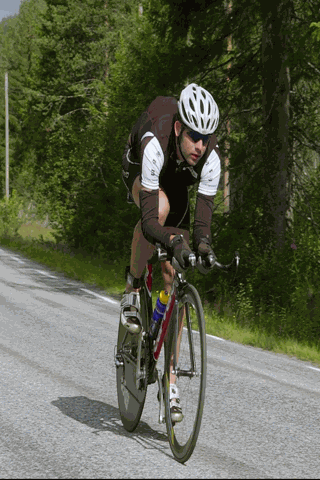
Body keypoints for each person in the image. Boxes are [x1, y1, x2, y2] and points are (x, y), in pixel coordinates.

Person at [120, 83, 221, 422]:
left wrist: (202, 247)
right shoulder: (155, 142)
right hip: (142, 172)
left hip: (175, 181)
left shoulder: (210, 157)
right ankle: (133, 287)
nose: (201, 145)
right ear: (179, 128)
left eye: (207, 138)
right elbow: (150, 222)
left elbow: (202, 225)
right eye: (195, 136)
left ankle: (170, 378)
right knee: (160, 211)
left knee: (174, 274)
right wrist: (172, 242)